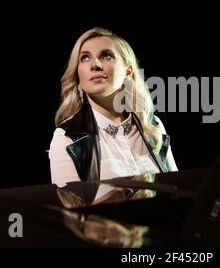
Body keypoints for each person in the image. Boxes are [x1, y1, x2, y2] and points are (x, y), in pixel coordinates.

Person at [49, 27, 177, 185]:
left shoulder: (152, 126)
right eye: (85, 58)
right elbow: (71, 207)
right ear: (78, 73)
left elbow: (176, 190)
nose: (95, 65)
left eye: (106, 56)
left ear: (128, 71)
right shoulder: (67, 137)